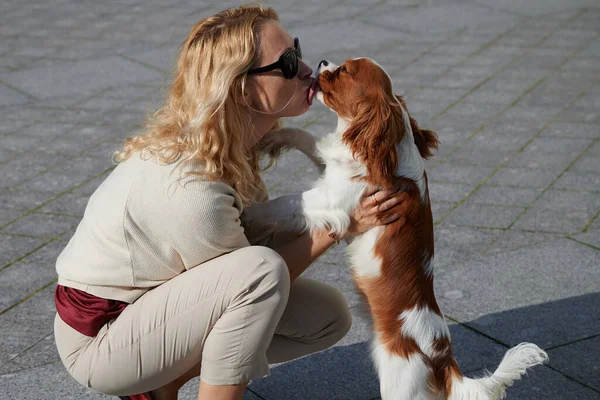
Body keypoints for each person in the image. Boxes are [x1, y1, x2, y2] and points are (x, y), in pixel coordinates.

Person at [53, 4, 406, 400]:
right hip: (102, 340)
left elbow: (244, 264)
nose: (307, 69)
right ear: (240, 88)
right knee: (261, 273)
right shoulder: (190, 189)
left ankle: (162, 385)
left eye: (298, 50)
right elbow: (254, 281)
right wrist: (337, 226)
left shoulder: (228, 143)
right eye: (288, 62)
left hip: (152, 310)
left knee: (326, 318)